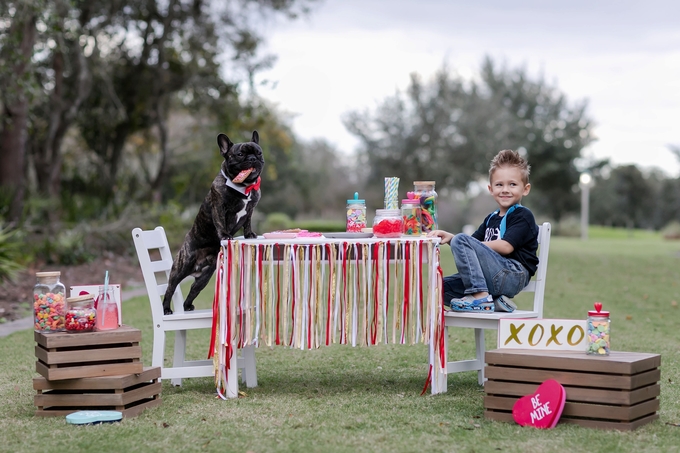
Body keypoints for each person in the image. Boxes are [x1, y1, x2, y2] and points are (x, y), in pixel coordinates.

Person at [428, 149, 539, 312]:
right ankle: (494, 302)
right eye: (499, 184)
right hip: (490, 278)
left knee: (461, 239)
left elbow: (506, 246)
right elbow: (471, 247)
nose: (505, 189)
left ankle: (480, 298)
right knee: (439, 287)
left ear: (526, 189)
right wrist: (451, 238)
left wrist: (460, 240)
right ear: (491, 189)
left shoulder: (522, 215)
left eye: (512, 184)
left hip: (513, 275)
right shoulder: (491, 218)